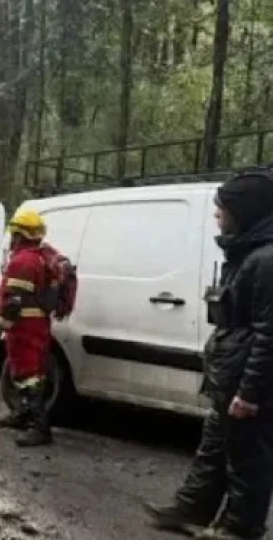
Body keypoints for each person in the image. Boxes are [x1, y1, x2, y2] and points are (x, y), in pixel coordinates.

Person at [145, 171, 273, 540]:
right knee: (214, 446)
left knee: (247, 459)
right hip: (229, 374)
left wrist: (249, 393)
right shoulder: (245, 252)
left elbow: (269, 335)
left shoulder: (266, 261)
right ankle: (192, 509)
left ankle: (241, 529)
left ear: (244, 210)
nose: (217, 215)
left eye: (223, 208)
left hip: (246, 383)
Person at [0, 210, 55, 448]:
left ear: (19, 234)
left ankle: (40, 428)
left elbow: (14, 301)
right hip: (36, 324)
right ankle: (23, 414)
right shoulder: (39, 257)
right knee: (29, 372)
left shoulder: (23, 261)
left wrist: (1, 325)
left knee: (28, 375)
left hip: (25, 327)